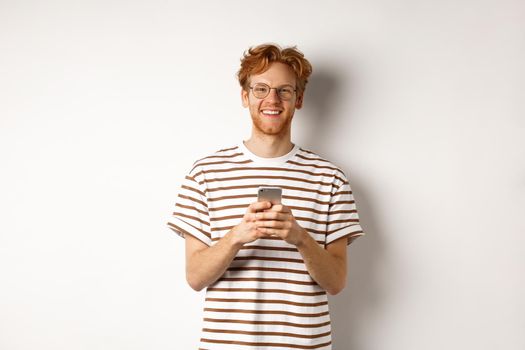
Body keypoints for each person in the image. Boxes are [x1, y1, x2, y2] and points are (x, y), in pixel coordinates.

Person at [166, 43, 365, 350]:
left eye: (284, 90)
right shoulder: (205, 173)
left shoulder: (330, 178)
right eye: (261, 89)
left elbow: (336, 282)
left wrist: (299, 236)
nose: (272, 99)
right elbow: (195, 277)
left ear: (298, 99)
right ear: (245, 97)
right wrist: (236, 236)